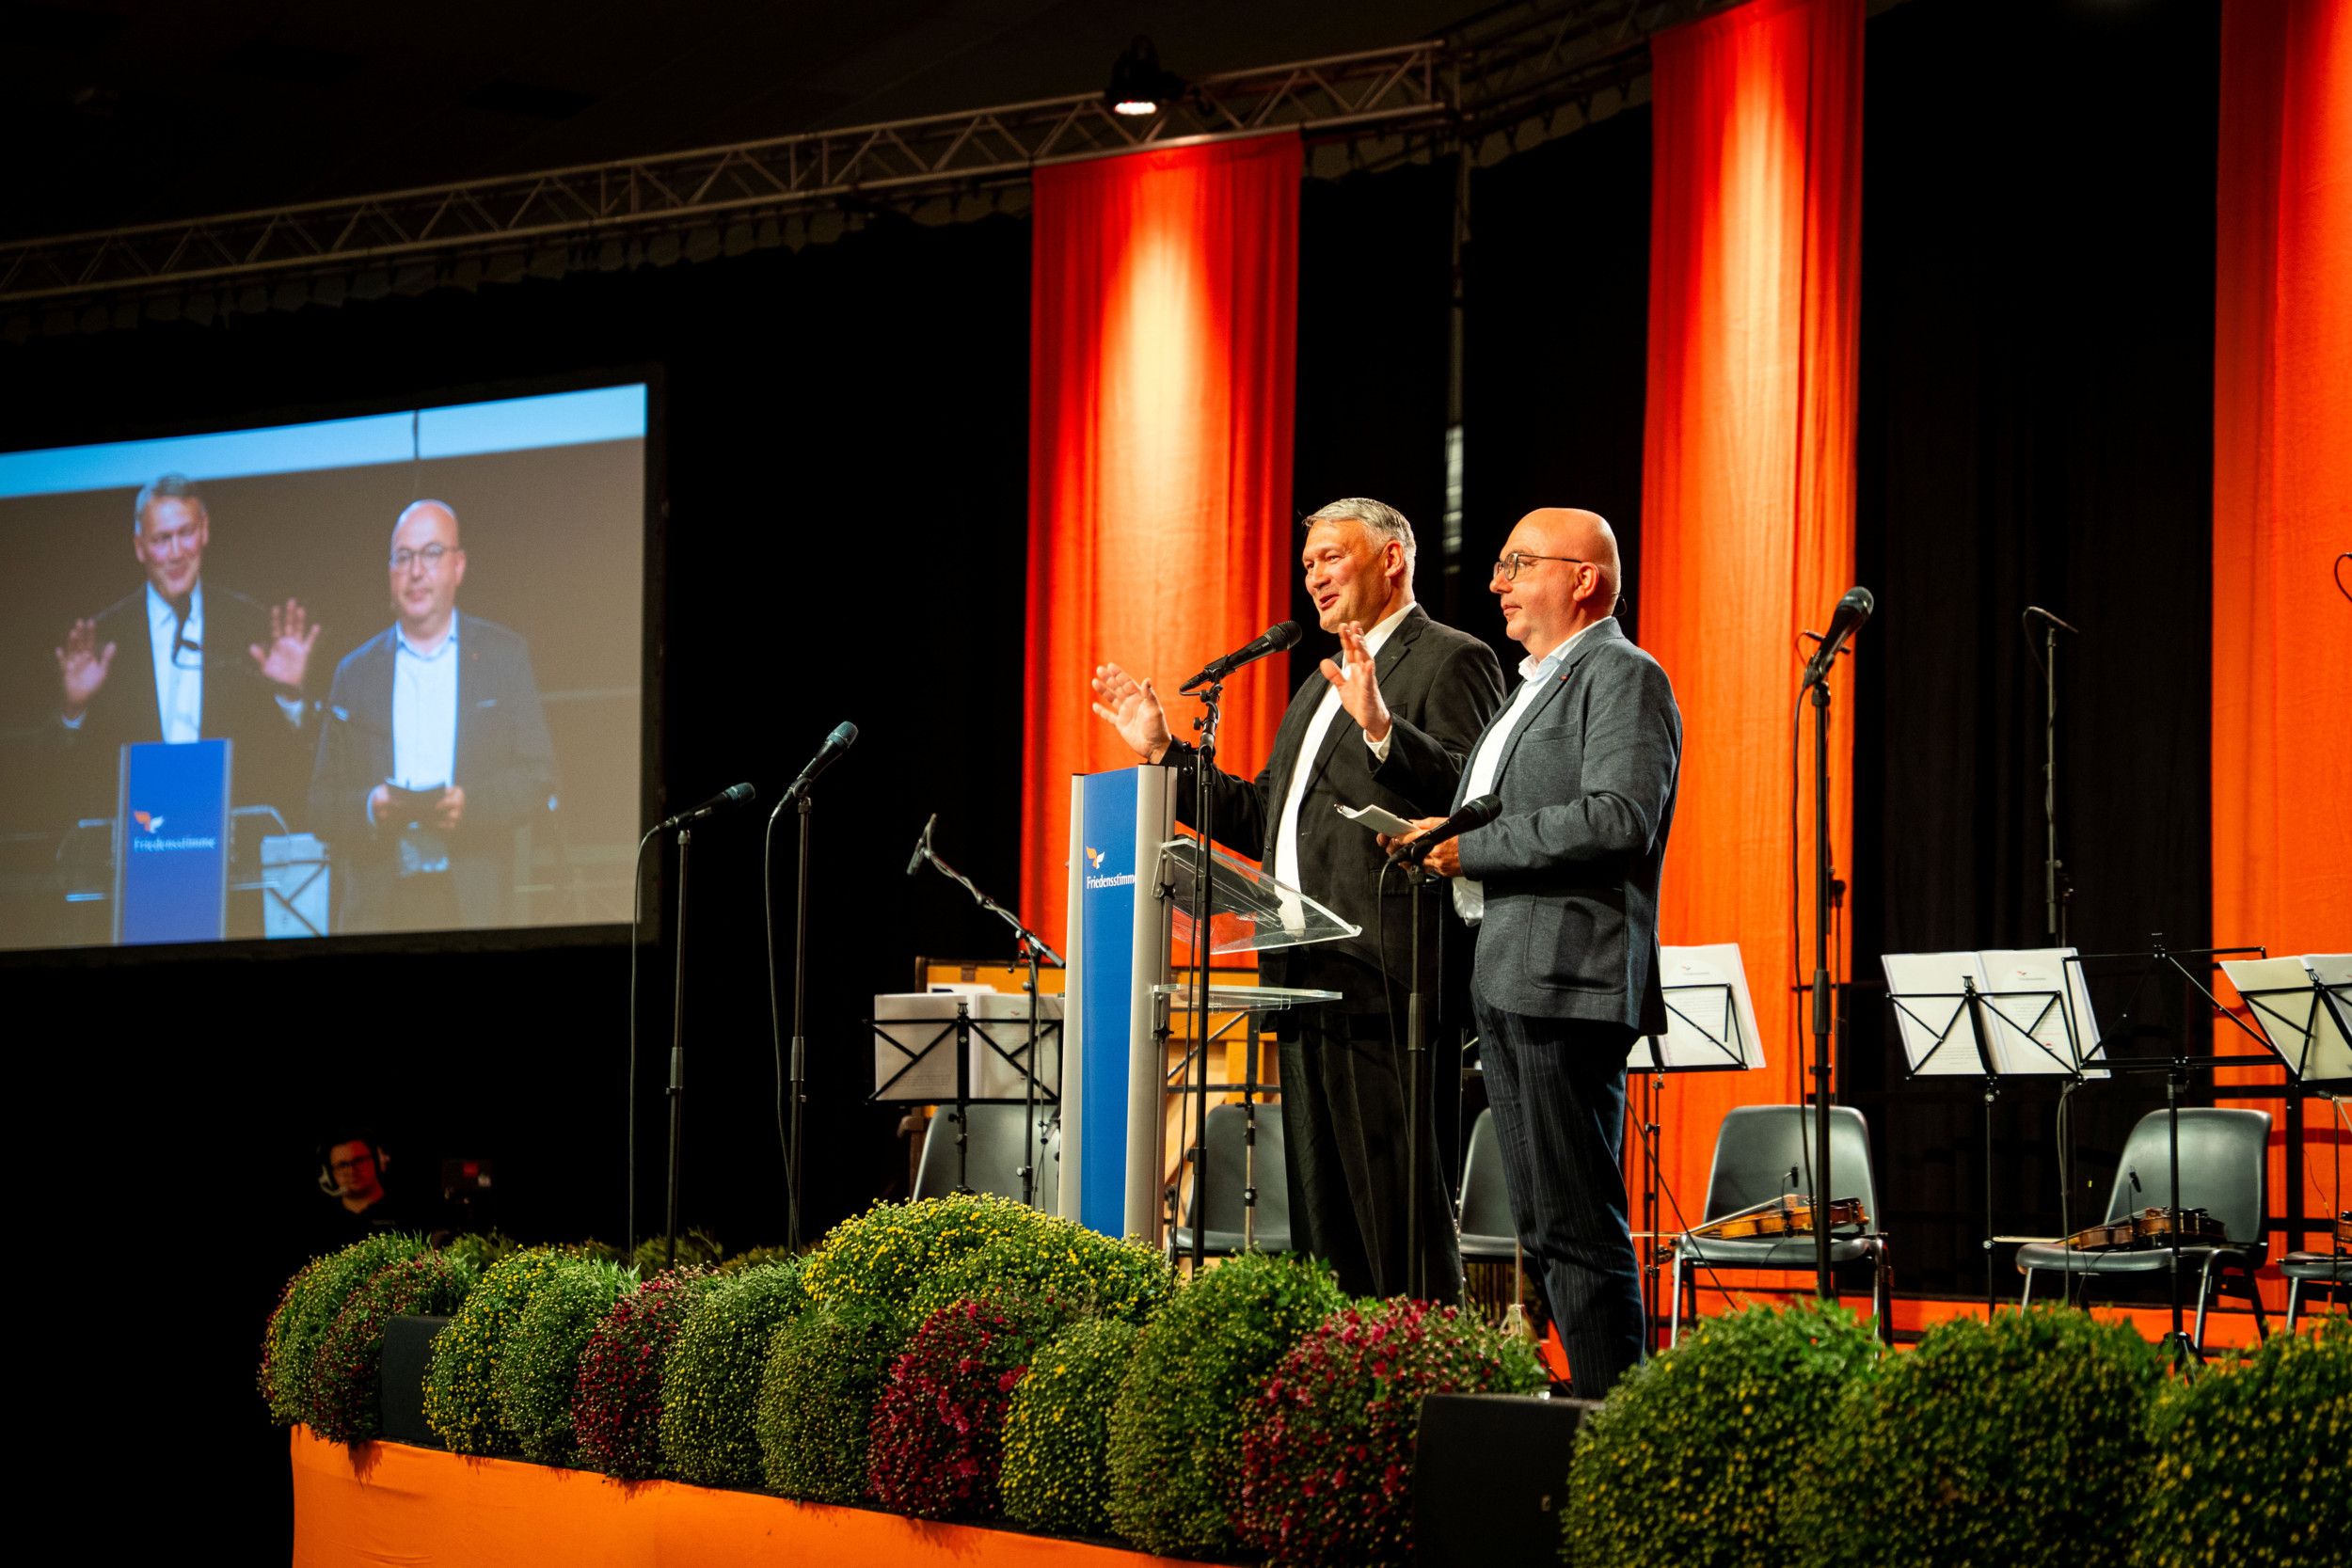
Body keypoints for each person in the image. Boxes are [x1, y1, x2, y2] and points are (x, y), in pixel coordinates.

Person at [1091, 498, 1504, 1299]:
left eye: (1330, 557)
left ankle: (1419, 1390)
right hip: (1304, 975)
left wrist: (1384, 728)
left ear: (1391, 559)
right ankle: (1335, 1395)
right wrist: (1163, 752)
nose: (1312, 575)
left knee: (1396, 1227)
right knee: (1326, 1234)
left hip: (1386, 984)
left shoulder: (1452, 659)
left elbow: (1473, 793)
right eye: (1307, 561)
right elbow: (1259, 816)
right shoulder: (1316, 688)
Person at [1385, 507, 1680, 1399]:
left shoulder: (1623, 674)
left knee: (1579, 1224)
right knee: (1546, 1225)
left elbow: (1619, 815)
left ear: (1583, 578)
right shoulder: (1533, 685)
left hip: (1567, 979)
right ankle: (1581, 1413)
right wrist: (1443, 835)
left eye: (1517, 564)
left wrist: (1471, 848)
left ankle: (1612, 1428)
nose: (1497, 583)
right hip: (1510, 975)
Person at [310, 499, 556, 933]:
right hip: (378, 909)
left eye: (431, 554)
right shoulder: (356, 672)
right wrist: (372, 807)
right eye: (403, 557)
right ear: (389, 571)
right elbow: (321, 805)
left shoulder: (503, 656)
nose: (416, 571)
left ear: (458, 566)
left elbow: (538, 776)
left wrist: (471, 806)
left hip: (474, 903)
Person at [52, 474, 322, 819]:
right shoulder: (104, 641)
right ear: (139, 547)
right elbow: (61, 780)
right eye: (162, 539)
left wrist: (290, 697)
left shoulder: (249, 626)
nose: (177, 553)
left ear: (205, 531)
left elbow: (294, 762)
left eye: (186, 533)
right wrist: (75, 711)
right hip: (138, 845)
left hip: (232, 841)